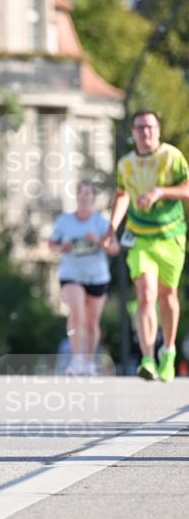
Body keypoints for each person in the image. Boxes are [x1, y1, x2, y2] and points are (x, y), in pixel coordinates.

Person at [103, 109, 189, 381]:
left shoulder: (171, 157)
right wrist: (112, 228)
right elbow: (122, 195)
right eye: (140, 128)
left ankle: (169, 351)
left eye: (150, 127)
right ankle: (148, 358)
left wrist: (160, 192)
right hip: (139, 238)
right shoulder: (126, 165)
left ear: (158, 130)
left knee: (168, 296)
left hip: (171, 236)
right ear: (133, 132)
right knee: (145, 294)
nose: (145, 132)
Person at [49, 181, 117, 375]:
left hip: (97, 277)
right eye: (81, 194)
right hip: (71, 275)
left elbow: (115, 248)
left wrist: (99, 241)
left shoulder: (101, 222)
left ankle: (89, 362)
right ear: (77, 197)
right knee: (77, 315)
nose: (85, 197)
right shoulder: (64, 221)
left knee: (91, 323)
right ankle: (76, 359)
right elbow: (52, 244)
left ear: (92, 198)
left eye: (88, 194)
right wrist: (62, 247)